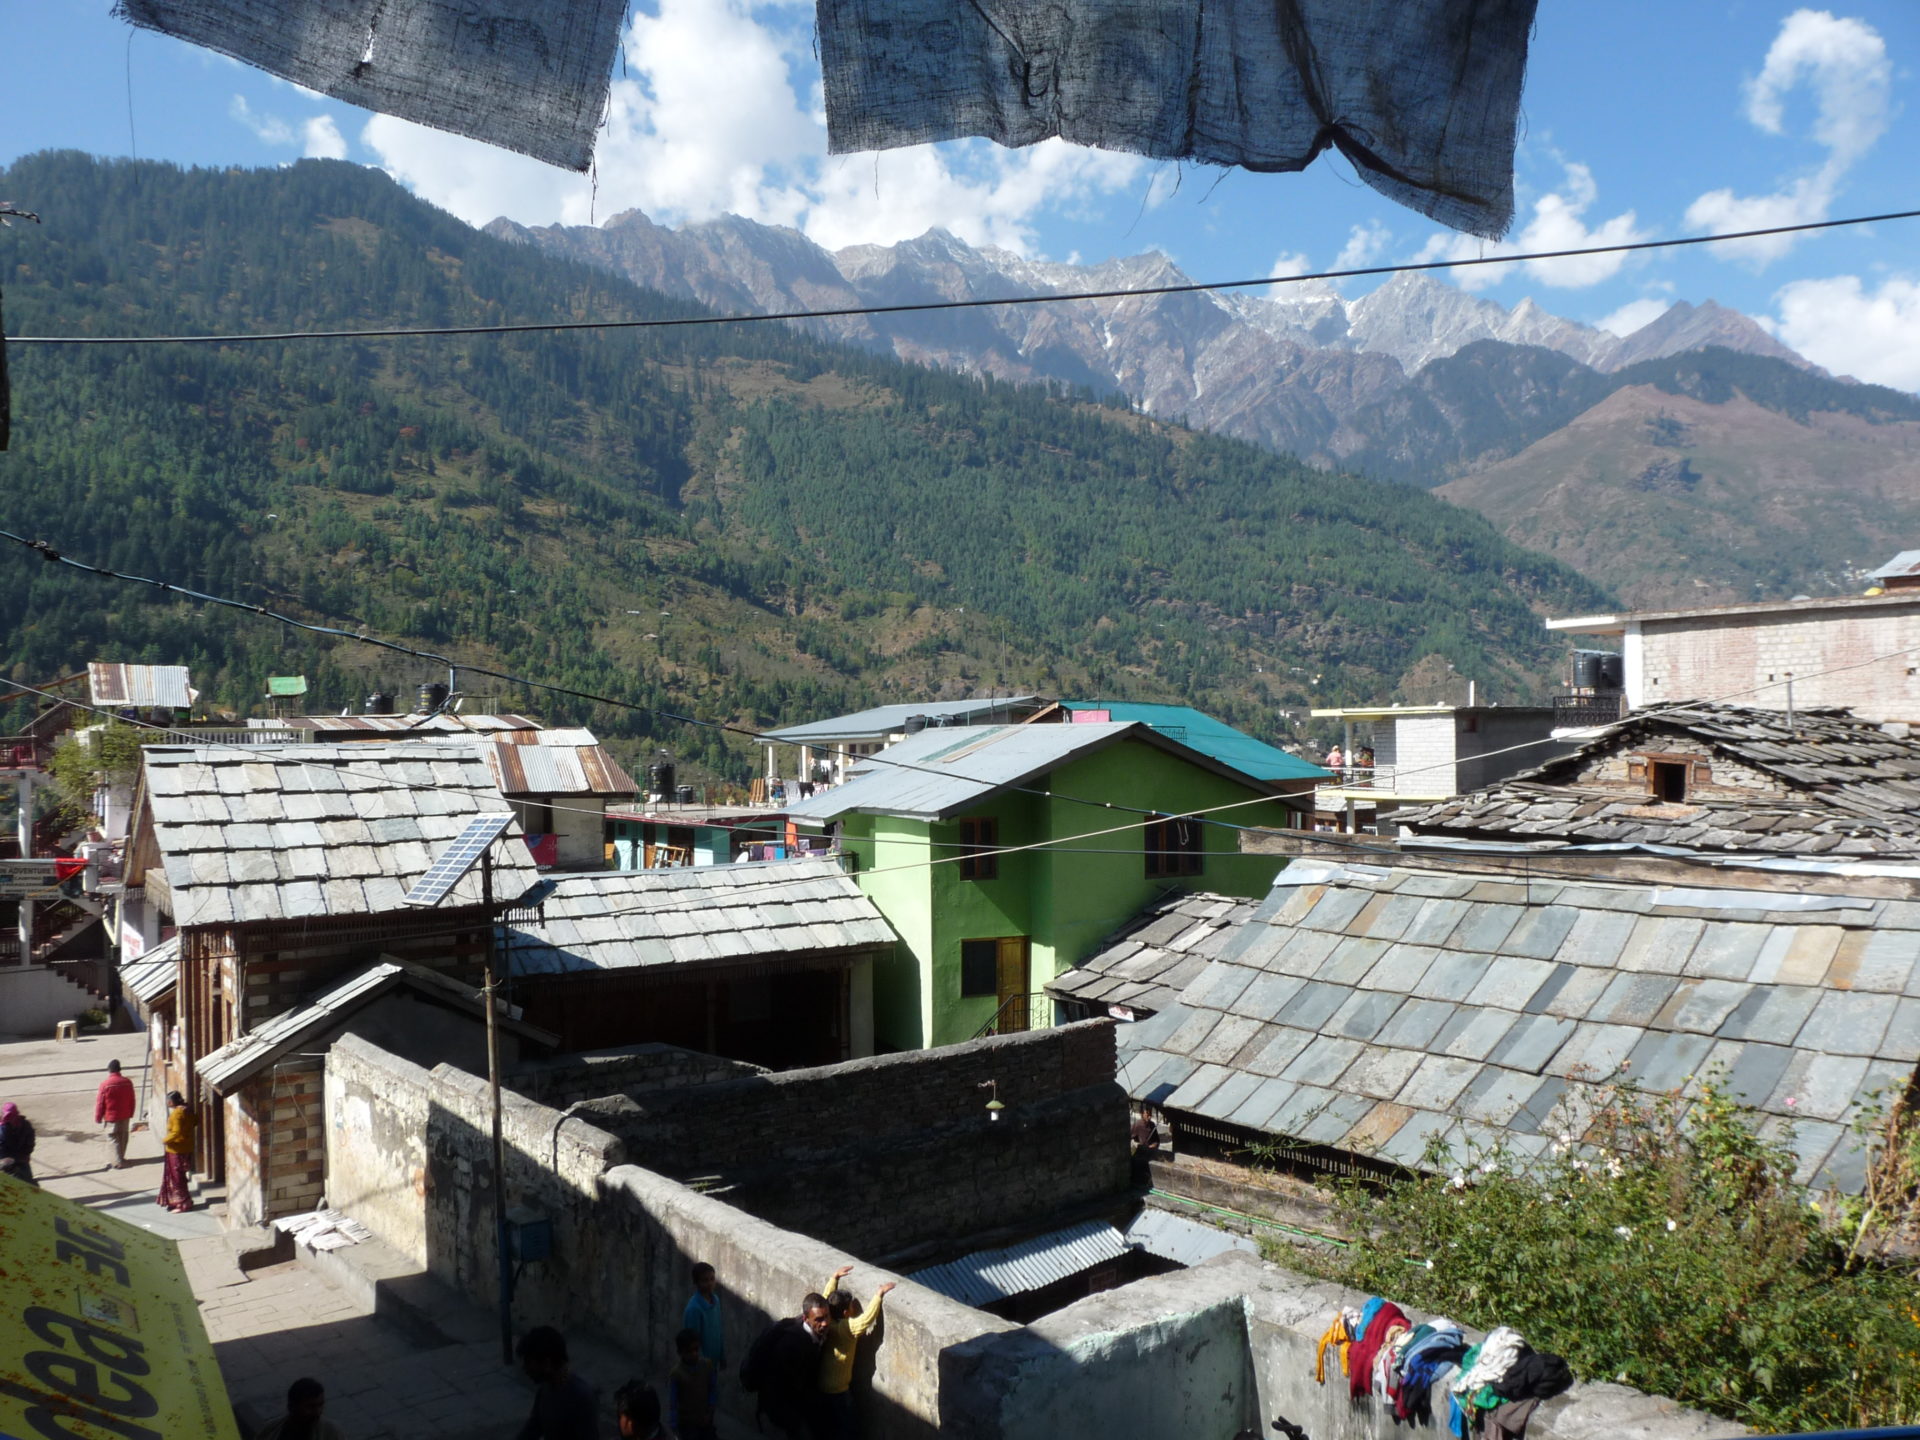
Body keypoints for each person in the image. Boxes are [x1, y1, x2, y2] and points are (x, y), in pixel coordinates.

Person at [816, 1267, 895, 1440]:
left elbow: (824, 1300)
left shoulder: (826, 1321)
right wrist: (878, 1295)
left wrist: (833, 1278)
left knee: (826, 1428)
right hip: (838, 1390)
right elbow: (866, 1319)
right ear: (845, 1313)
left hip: (821, 1384)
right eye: (852, 1307)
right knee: (846, 1429)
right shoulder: (845, 1329)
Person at [740, 1294, 829, 1440]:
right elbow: (783, 1382)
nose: (825, 1323)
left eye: (827, 1316)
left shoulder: (806, 1331)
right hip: (782, 1407)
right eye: (819, 1319)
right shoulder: (793, 1343)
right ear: (806, 1318)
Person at [514, 1326, 599, 1440]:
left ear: (547, 1363)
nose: (525, 1369)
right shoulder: (545, 1391)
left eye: (529, 1363)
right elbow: (533, 1428)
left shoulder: (581, 1399)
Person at [254, 1377, 347, 1440]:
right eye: (310, 1407)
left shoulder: (332, 1432)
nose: (318, 1412)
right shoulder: (271, 1429)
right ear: (292, 1407)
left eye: (320, 1405)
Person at [667, 1329, 717, 1440]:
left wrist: (710, 1412)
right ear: (680, 1353)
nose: (694, 1354)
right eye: (689, 1351)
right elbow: (673, 1403)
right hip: (687, 1424)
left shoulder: (707, 1366)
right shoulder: (676, 1374)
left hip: (705, 1419)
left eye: (696, 1349)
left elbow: (712, 1390)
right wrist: (674, 1427)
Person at [681, 1261, 725, 1372]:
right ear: (696, 1282)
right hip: (700, 1366)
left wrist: (722, 1356)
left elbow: (719, 1331)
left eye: (712, 1279)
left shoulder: (716, 1301)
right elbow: (692, 1341)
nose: (710, 1283)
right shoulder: (694, 1309)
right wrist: (699, 1364)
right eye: (705, 1280)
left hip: (713, 1362)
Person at [157, 1091, 196, 1212]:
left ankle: (183, 1203)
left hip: (176, 1149)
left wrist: (166, 1140)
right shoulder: (188, 1109)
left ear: (171, 1102)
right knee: (180, 1176)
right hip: (187, 1147)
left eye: (168, 1100)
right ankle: (182, 1201)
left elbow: (176, 1131)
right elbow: (195, 1121)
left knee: (177, 1177)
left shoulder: (177, 1113)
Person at [95, 1058, 137, 1169]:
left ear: (109, 1070)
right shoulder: (127, 1082)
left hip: (111, 1116)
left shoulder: (105, 1084)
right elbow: (132, 1099)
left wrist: (98, 1117)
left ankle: (118, 1162)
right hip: (125, 1114)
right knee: (123, 1136)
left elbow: (100, 1103)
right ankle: (121, 1158)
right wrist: (131, 1112)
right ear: (119, 1069)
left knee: (112, 1138)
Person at [0, 1102, 37, 1186]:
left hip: (22, 1156)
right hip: (5, 1159)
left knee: (28, 1181)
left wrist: (24, 1155)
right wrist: (4, 1160)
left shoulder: (26, 1126)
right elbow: (1, 1147)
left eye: (11, 1116)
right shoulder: (2, 1128)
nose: (10, 1119)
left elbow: (30, 1142)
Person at [1129, 1105, 1161, 1185]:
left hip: (1150, 1153)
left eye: (1150, 1115)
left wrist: (1154, 1145)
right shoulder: (1138, 1125)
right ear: (1142, 1114)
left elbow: (1157, 1140)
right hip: (1140, 1153)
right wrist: (1136, 1144)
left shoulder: (1152, 1125)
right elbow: (1129, 1136)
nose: (1149, 1117)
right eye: (1147, 1115)